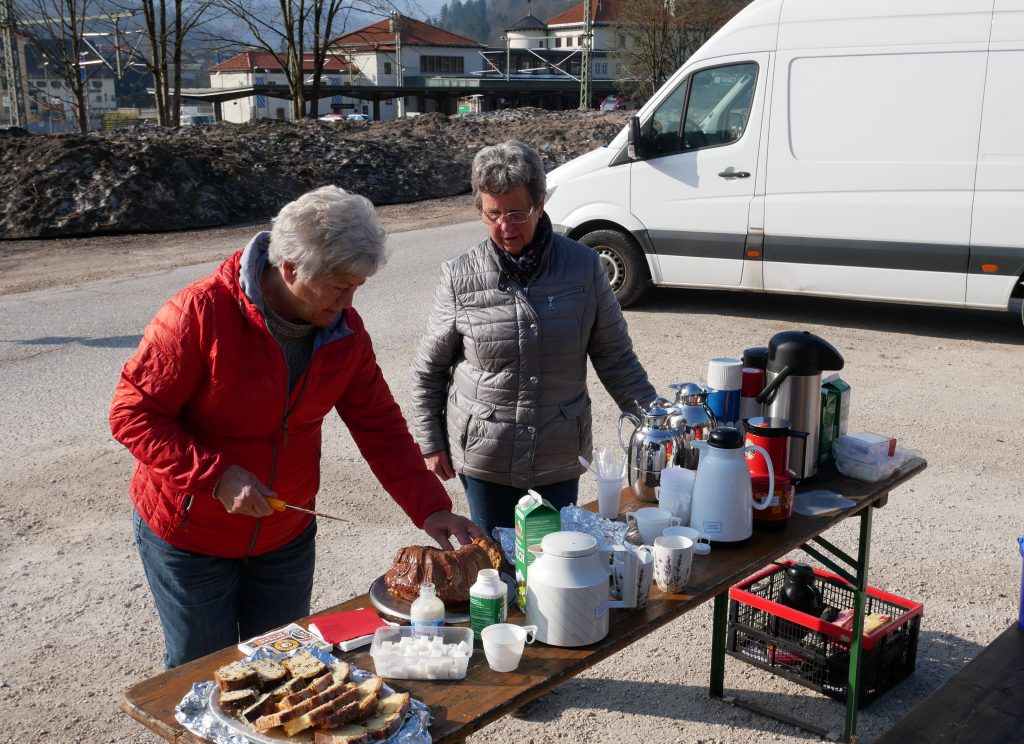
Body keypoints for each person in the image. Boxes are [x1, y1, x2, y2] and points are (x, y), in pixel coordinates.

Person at [110, 185, 482, 678]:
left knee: (283, 669)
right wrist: (217, 477)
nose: (348, 302)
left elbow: (380, 427)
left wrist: (431, 507)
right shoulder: (199, 313)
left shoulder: (343, 331)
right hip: (192, 538)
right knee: (200, 675)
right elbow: (133, 414)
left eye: (357, 287)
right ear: (289, 269)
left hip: (285, 537)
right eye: (339, 287)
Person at [411, 140, 657, 535]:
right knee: (495, 563)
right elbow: (429, 370)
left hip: (557, 456)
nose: (505, 227)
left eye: (516, 213)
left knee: (555, 559)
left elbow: (616, 358)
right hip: (486, 456)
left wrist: (656, 423)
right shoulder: (460, 276)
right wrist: (431, 442)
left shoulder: (584, 267)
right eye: (492, 214)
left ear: (540, 204)